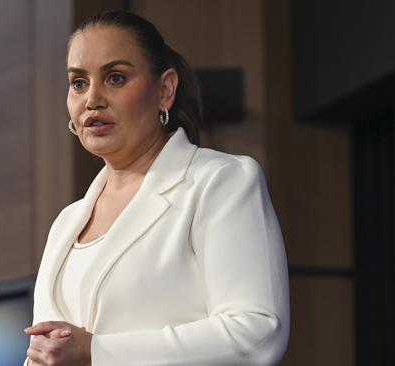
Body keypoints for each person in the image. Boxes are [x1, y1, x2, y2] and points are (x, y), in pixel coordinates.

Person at [24, 10, 289, 366]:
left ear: (165, 89)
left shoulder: (219, 181)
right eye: (78, 83)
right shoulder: (65, 223)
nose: (92, 100)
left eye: (115, 78)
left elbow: (256, 333)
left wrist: (94, 351)